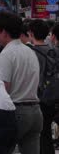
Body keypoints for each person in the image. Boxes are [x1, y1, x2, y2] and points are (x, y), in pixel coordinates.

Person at [0, 12, 42, 153]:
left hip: (17, 111)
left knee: (1, 149)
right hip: (35, 112)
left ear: (4, 32)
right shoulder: (30, 51)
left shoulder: (7, 54)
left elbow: (5, 88)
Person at [28, 19, 56, 154]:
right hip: (54, 95)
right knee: (46, 133)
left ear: (31, 33)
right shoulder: (54, 50)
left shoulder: (30, 53)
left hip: (40, 96)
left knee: (42, 134)